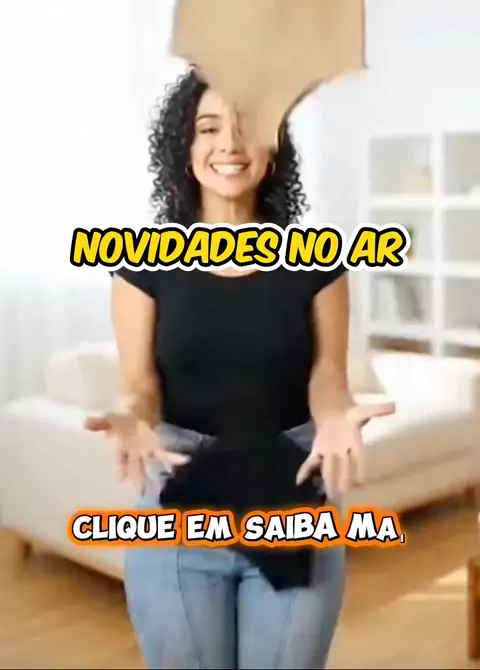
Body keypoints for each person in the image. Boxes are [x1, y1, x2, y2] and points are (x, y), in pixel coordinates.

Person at [86, 69, 394, 670]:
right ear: (184, 147)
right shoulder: (138, 262)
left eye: (246, 127)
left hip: (291, 493)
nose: (228, 144)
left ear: (273, 146)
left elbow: (327, 376)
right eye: (208, 128)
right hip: (179, 505)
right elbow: (140, 384)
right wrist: (130, 415)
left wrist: (335, 416)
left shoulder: (320, 261)